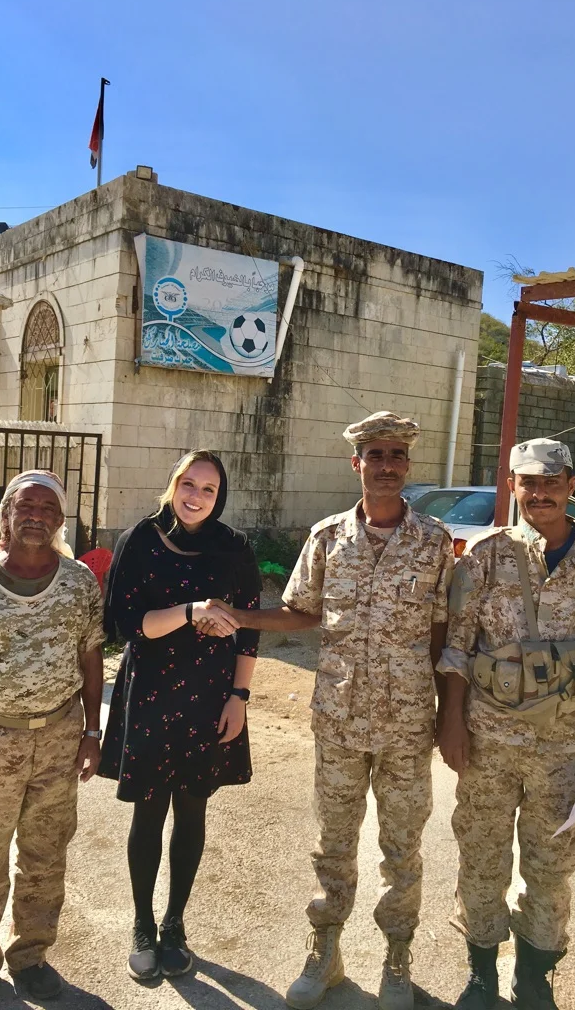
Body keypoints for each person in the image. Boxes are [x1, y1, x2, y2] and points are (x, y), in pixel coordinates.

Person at [210, 411, 454, 1010]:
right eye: (376, 455)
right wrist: (242, 617)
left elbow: (443, 632)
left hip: (406, 724)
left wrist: (448, 717)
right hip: (340, 720)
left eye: (397, 455)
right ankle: (326, 952)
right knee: (333, 842)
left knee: (402, 845)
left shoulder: (435, 542)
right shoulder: (326, 538)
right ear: (357, 464)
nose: (388, 466)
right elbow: (302, 613)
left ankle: (397, 957)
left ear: (407, 465)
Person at [438, 438, 575, 1010]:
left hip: (567, 744)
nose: (540, 492)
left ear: (572, 487)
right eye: (529, 482)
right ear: (513, 487)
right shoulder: (485, 553)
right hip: (489, 738)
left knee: (552, 864)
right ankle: (480, 974)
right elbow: (457, 646)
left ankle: (534, 978)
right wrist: (450, 722)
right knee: (481, 855)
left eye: (552, 482)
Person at [0, 470, 105, 1009]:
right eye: (23, 506)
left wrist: (93, 732)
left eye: (46, 508)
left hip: (59, 738)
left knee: (45, 856)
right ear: (5, 515)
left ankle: (31, 957)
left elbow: (92, 658)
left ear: (59, 519)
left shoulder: (80, 583)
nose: (35, 515)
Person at [98, 450, 260, 982]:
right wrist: (193, 612)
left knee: (192, 813)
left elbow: (249, 628)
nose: (196, 496)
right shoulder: (139, 540)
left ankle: (174, 925)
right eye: (188, 483)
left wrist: (240, 696)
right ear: (173, 484)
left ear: (220, 497)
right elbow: (125, 624)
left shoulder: (234, 549)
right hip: (149, 693)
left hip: (210, 697)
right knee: (148, 813)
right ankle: (142, 924)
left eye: (209, 489)